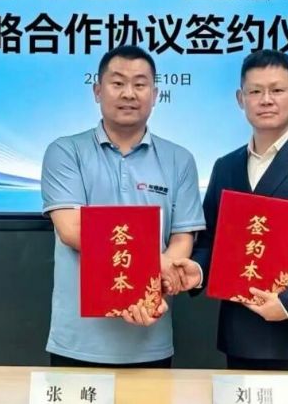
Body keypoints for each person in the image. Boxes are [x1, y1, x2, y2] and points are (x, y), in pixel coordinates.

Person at [171, 49, 288, 371]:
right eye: (255, 91)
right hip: (242, 334)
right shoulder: (226, 166)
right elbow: (210, 239)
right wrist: (198, 270)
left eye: (277, 90)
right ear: (240, 99)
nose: (266, 100)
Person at [41, 45, 205, 368]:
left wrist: (162, 280)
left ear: (155, 95)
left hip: (150, 334)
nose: (129, 93)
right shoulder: (65, 152)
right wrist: (154, 264)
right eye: (117, 83)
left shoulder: (180, 159)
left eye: (140, 84)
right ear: (97, 91)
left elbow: (182, 238)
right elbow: (71, 230)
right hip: (78, 341)